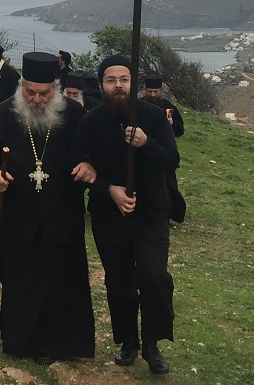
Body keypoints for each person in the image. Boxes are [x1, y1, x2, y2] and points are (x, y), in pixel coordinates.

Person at [0, 52, 96, 364]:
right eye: (30, 92)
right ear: (21, 88)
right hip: (18, 215)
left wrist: (88, 163)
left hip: (61, 215)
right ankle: (20, 342)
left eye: (44, 93)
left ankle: (59, 345)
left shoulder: (76, 116)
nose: (37, 100)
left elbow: (94, 150)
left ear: (55, 89)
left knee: (61, 281)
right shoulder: (4, 114)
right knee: (21, 280)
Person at [70, 55, 179, 376]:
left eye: (124, 80)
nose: (118, 86)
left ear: (133, 84)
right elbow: (77, 165)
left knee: (154, 278)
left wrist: (146, 143)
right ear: (101, 85)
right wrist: (109, 189)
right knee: (119, 282)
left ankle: (152, 344)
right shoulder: (90, 122)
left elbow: (171, 160)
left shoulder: (154, 117)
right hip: (109, 218)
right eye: (111, 80)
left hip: (151, 216)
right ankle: (128, 342)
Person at [142, 74, 186, 223]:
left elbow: (180, 130)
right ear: (145, 90)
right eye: (150, 91)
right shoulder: (139, 105)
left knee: (169, 187)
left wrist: (172, 124)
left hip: (165, 151)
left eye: (155, 91)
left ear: (160, 91)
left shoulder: (169, 107)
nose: (153, 95)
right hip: (144, 151)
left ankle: (169, 214)